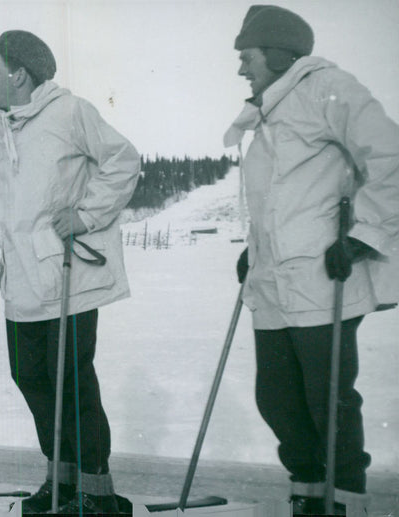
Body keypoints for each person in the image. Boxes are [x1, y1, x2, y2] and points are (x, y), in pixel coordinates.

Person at [224, 6, 399, 515]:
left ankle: (344, 502)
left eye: (247, 56)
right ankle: (308, 493)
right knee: (276, 399)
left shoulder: (330, 87)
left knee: (329, 401)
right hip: (275, 279)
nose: (241, 69)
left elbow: (391, 156)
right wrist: (254, 252)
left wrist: (363, 235)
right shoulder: (269, 110)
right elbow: (284, 199)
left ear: (278, 52)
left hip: (325, 277)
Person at [0, 30, 140, 514]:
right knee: (30, 376)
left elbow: (123, 160)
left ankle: (97, 491)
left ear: (20, 74)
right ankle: (62, 479)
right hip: (22, 278)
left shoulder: (70, 112)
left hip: (70, 273)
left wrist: (86, 214)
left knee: (70, 380)